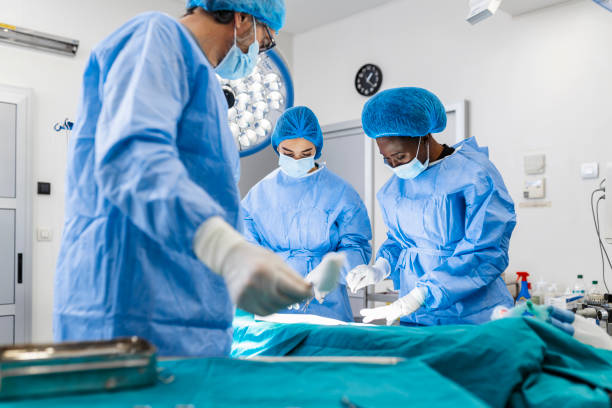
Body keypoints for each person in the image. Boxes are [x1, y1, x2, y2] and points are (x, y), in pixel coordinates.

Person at [53, 0, 313, 357]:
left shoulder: (205, 85)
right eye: (264, 41)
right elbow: (134, 158)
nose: (257, 53)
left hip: (187, 307)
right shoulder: (155, 37)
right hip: (131, 302)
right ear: (241, 18)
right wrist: (225, 249)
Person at [347, 87, 516, 326]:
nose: (395, 166)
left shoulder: (474, 175)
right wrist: (380, 267)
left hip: (473, 316)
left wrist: (423, 293)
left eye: (401, 157)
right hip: (417, 315)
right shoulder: (394, 188)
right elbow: (399, 241)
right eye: (387, 160)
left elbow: (485, 251)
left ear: (424, 137)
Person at [242, 106, 372, 322]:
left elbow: (357, 246)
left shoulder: (341, 192)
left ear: (317, 149)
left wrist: (330, 270)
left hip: (327, 306)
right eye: (288, 153)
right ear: (277, 147)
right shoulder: (258, 195)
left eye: (305, 154)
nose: (296, 160)